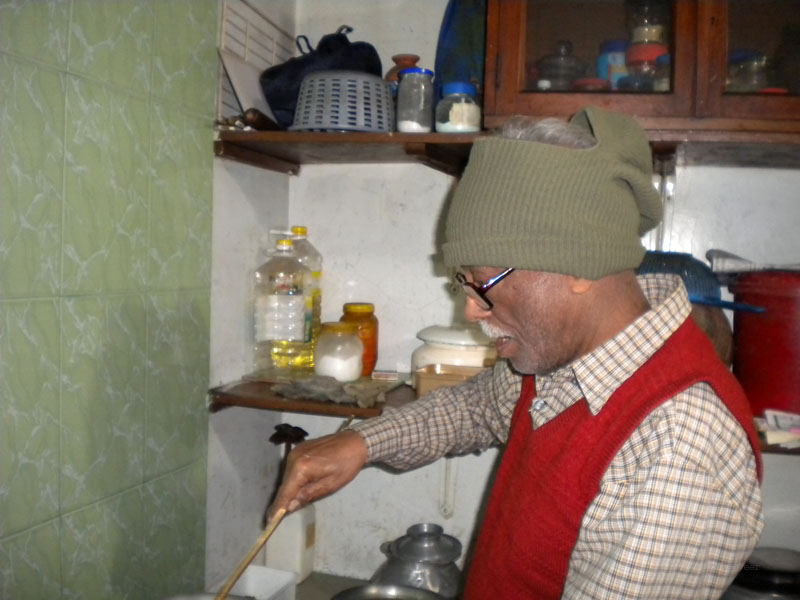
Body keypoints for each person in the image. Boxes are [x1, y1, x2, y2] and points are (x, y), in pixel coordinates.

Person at [271, 107, 764, 599]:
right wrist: (361, 443)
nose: (471, 310)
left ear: (580, 265)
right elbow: (477, 406)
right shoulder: (567, 357)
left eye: (483, 282)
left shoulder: (678, 444)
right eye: (464, 282)